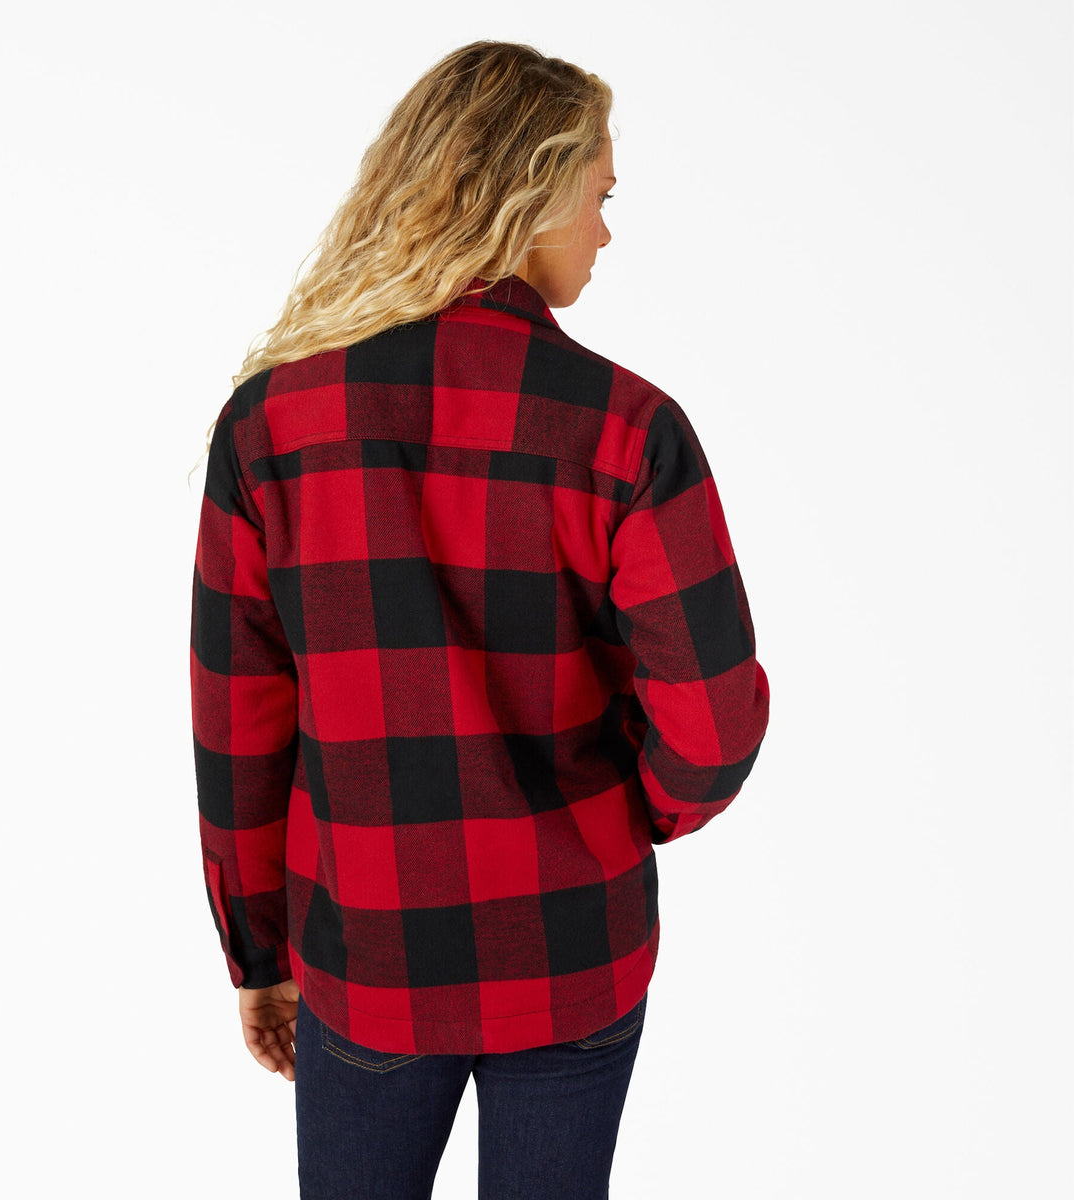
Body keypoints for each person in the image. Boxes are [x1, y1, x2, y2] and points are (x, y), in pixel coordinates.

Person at [190, 40, 770, 1200]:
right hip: (573, 948)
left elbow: (240, 721)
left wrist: (258, 951)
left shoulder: (271, 424)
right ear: (529, 190)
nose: (605, 232)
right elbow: (713, 729)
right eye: (599, 196)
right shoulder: (629, 429)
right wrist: (619, 817)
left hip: (368, 951)